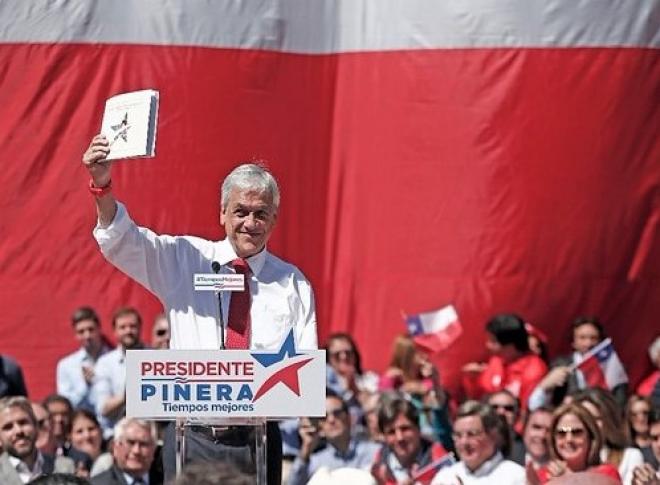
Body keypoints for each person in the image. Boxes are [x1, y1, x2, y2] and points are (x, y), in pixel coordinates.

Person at [82, 139, 318, 484]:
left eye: (260, 213)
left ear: (274, 219)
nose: (250, 222)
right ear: (222, 213)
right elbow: (123, 241)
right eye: (241, 211)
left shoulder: (292, 283)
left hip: (258, 441)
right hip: (192, 438)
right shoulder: (186, 259)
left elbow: (304, 373)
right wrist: (102, 185)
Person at [529, 317, 628, 410]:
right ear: (573, 342)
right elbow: (537, 405)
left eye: (593, 338)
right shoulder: (559, 365)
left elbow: (620, 404)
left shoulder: (612, 366)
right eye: (582, 338)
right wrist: (546, 385)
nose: (588, 343)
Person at [288, 390, 380, 485]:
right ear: (320, 426)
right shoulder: (316, 462)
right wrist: (306, 448)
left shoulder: (375, 453)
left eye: (337, 413)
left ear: (350, 418)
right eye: (324, 417)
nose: (331, 420)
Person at [379, 335, 453, 450]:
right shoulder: (392, 382)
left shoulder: (428, 381)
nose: (425, 357)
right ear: (405, 357)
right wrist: (390, 381)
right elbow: (384, 408)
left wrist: (426, 384)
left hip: (434, 441)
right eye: (418, 353)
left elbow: (439, 403)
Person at [462, 313, 547, 413]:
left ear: (511, 346)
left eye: (493, 341)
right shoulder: (496, 361)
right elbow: (479, 396)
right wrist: (472, 379)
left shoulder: (534, 371)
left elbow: (526, 412)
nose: (488, 345)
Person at [431, 400, 525, 484]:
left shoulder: (516, 476)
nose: (464, 442)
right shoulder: (445, 477)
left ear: (493, 435)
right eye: (458, 436)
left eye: (472, 434)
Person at [92, 307, 145, 439]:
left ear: (140, 328)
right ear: (115, 331)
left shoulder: (155, 357)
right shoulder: (105, 363)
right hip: (117, 434)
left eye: (132, 326)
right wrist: (128, 396)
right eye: (123, 327)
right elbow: (103, 409)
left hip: (150, 433)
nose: (128, 331)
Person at [371, 393, 448, 484]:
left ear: (418, 428)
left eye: (405, 429)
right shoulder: (378, 465)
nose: (400, 438)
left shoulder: (438, 459)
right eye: (391, 432)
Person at [535, 402, 621, 483]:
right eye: (562, 433)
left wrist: (567, 480)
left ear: (590, 436)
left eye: (576, 432)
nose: (569, 439)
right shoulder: (542, 476)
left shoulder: (606, 474)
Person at [575, 388, 644, 485]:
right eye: (584, 418)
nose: (590, 424)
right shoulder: (568, 458)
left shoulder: (630, 456)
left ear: (609, 420)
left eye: (596, 418)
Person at [0, 396, 75, 484]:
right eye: (8, 427)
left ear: (35, 426)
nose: (18, 431)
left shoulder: (64, 467)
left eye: (23, 422)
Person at [56, 307, 111, 413]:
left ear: (99, 329)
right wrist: (85, 386)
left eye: (91, 329)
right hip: (83, 421)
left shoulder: (116, 360)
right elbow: (65, 406)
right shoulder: (66, 365)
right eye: (81, 332)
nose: (87, 336)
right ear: (76, 335)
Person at [90, 417, 161, 485]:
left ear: (154, 449)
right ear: (115, 447)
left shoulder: (165, 480)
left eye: (143, 444)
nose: (136, 451)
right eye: (131, 443)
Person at [69, 410, 113, 477]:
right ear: (69, 436)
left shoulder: (113, 460)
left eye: (91, 429)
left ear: (101, 431)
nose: (87, 436)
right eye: (79, 431)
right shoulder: (66, 465)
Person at [486, 390, 525, 462]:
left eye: (508, 408)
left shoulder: (527, 447)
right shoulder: (473, 441)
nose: (501, 412)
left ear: (518, 414)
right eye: (495, 407)